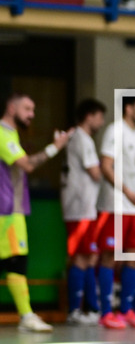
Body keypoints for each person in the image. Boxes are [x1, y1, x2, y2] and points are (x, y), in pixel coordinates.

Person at [0, 93, 73, 332]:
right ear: (12, 108)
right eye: (27, 109)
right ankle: (26, 315)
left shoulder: (11, 135)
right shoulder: (2, 134)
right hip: (5, 211)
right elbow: (28, 165)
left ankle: (26, 315)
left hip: (12, 209)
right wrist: (56, 147)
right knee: (15, 261)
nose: (32, 114)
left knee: (16, 262)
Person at [96, 95, 135, 330]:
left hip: (132, 208)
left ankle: (127, 310)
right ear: (129, 108)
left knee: (134, 256)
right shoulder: (115, 130)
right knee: (110, 256)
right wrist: (127, 191)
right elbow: (106, 166)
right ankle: (106, 312)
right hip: (115, 205)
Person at [61, 98, 106, 325]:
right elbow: (96, 173)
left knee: (89, 257)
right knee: (80, 257)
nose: (102, 122)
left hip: (85, 208)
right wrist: (111, 168)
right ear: (89, 116)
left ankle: (91, 309)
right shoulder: (82, 139)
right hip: (79, 208)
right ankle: (75, 311)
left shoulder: (79, 138)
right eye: (100, 116)